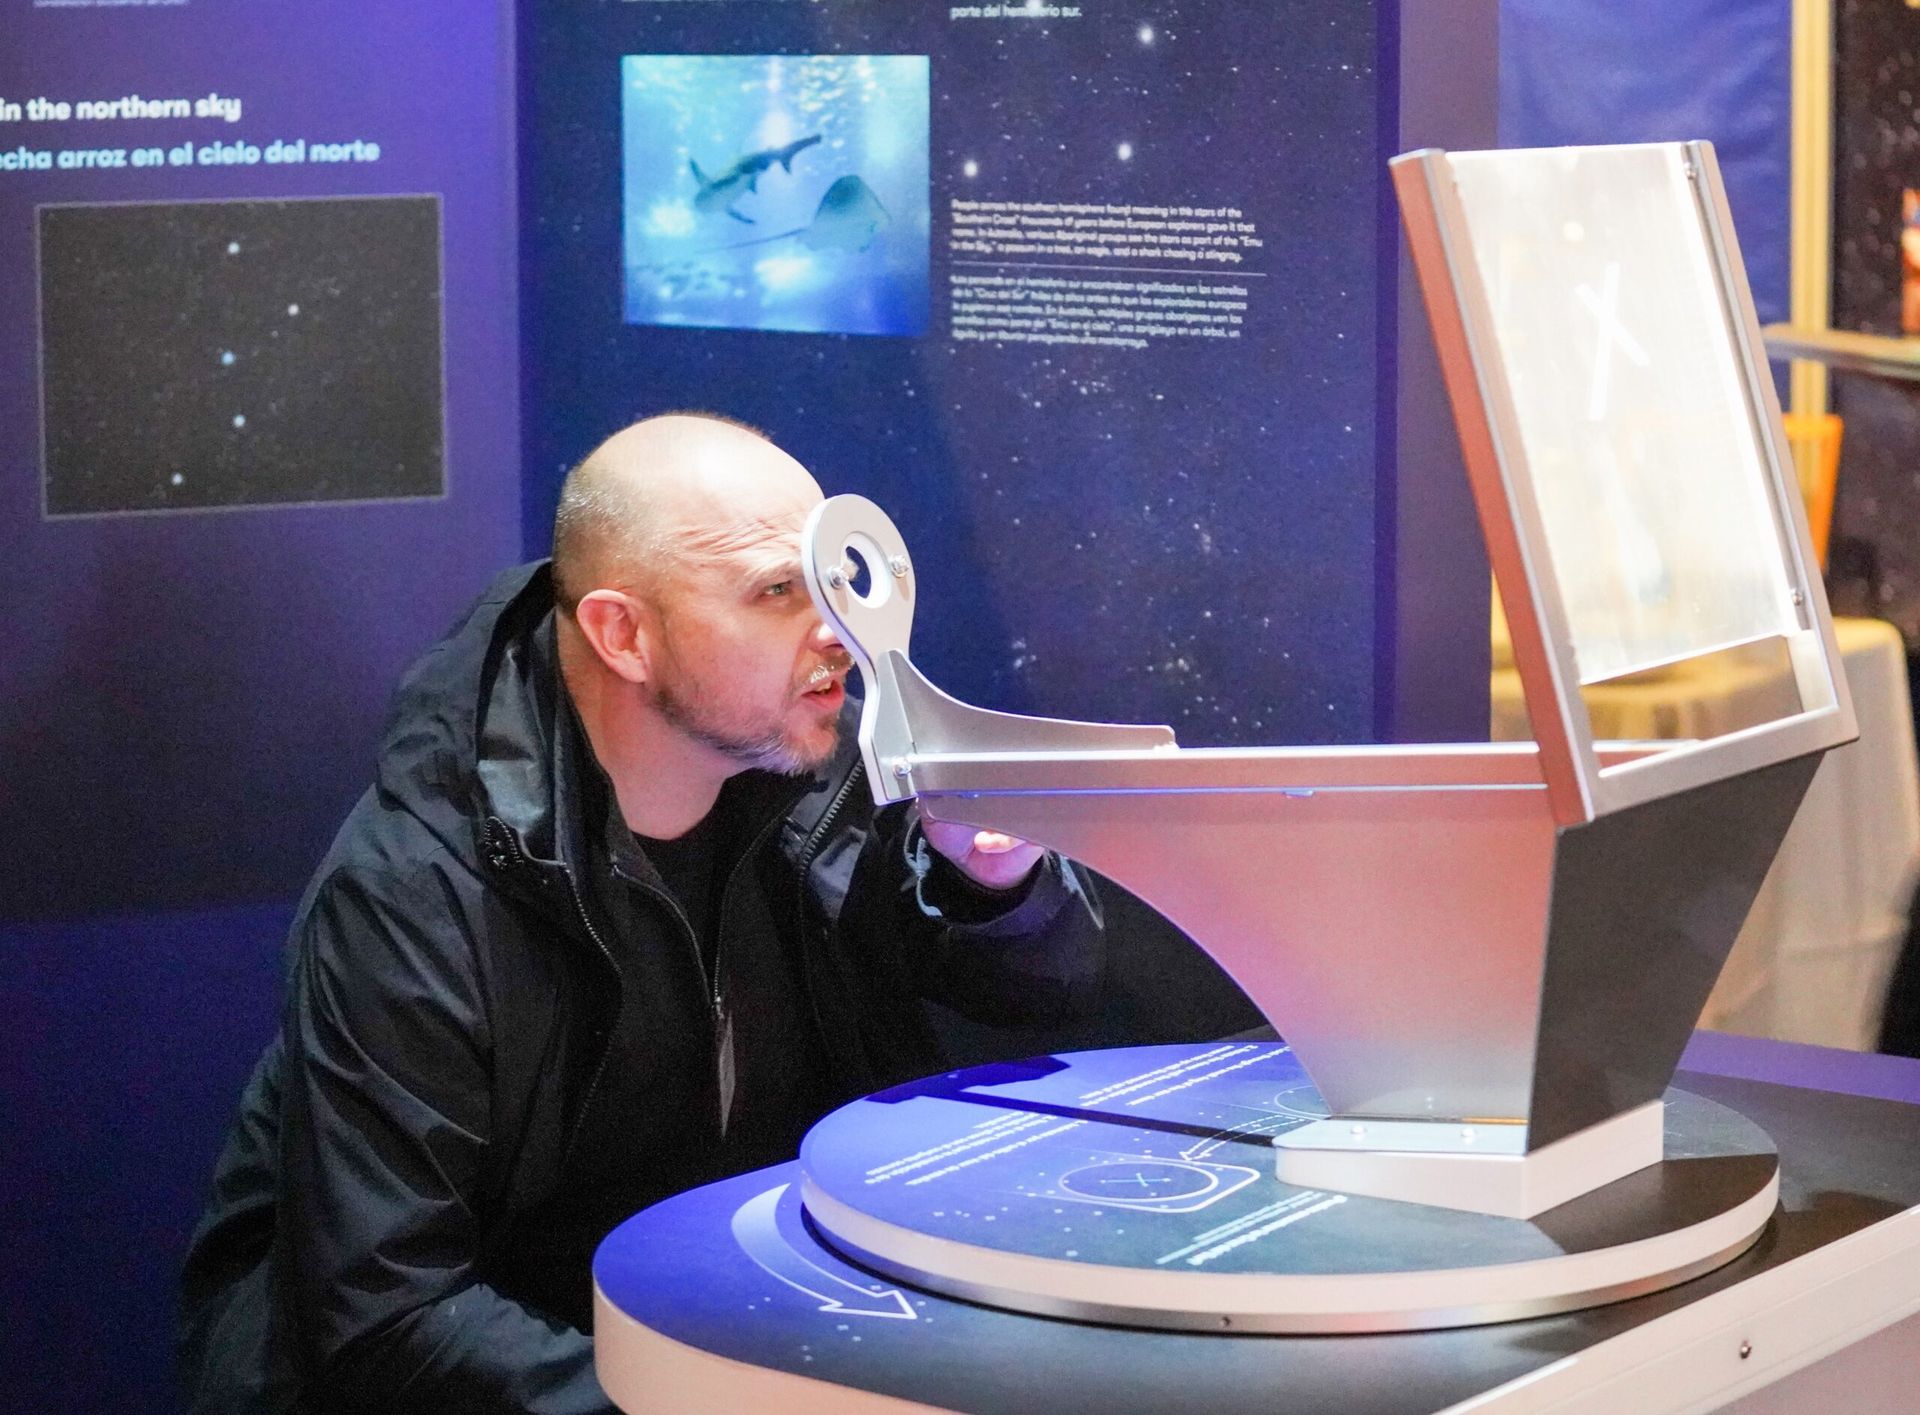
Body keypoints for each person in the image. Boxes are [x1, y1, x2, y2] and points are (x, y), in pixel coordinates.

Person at [179, 413, 1105, 1414]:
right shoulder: (414, 889)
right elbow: (385, 1322)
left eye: (830, 579)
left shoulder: (815, 763)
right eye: (777, 590)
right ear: (623, 634)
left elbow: (1037, 992)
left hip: (747, 1330)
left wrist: (991, 883)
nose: (837, 629)